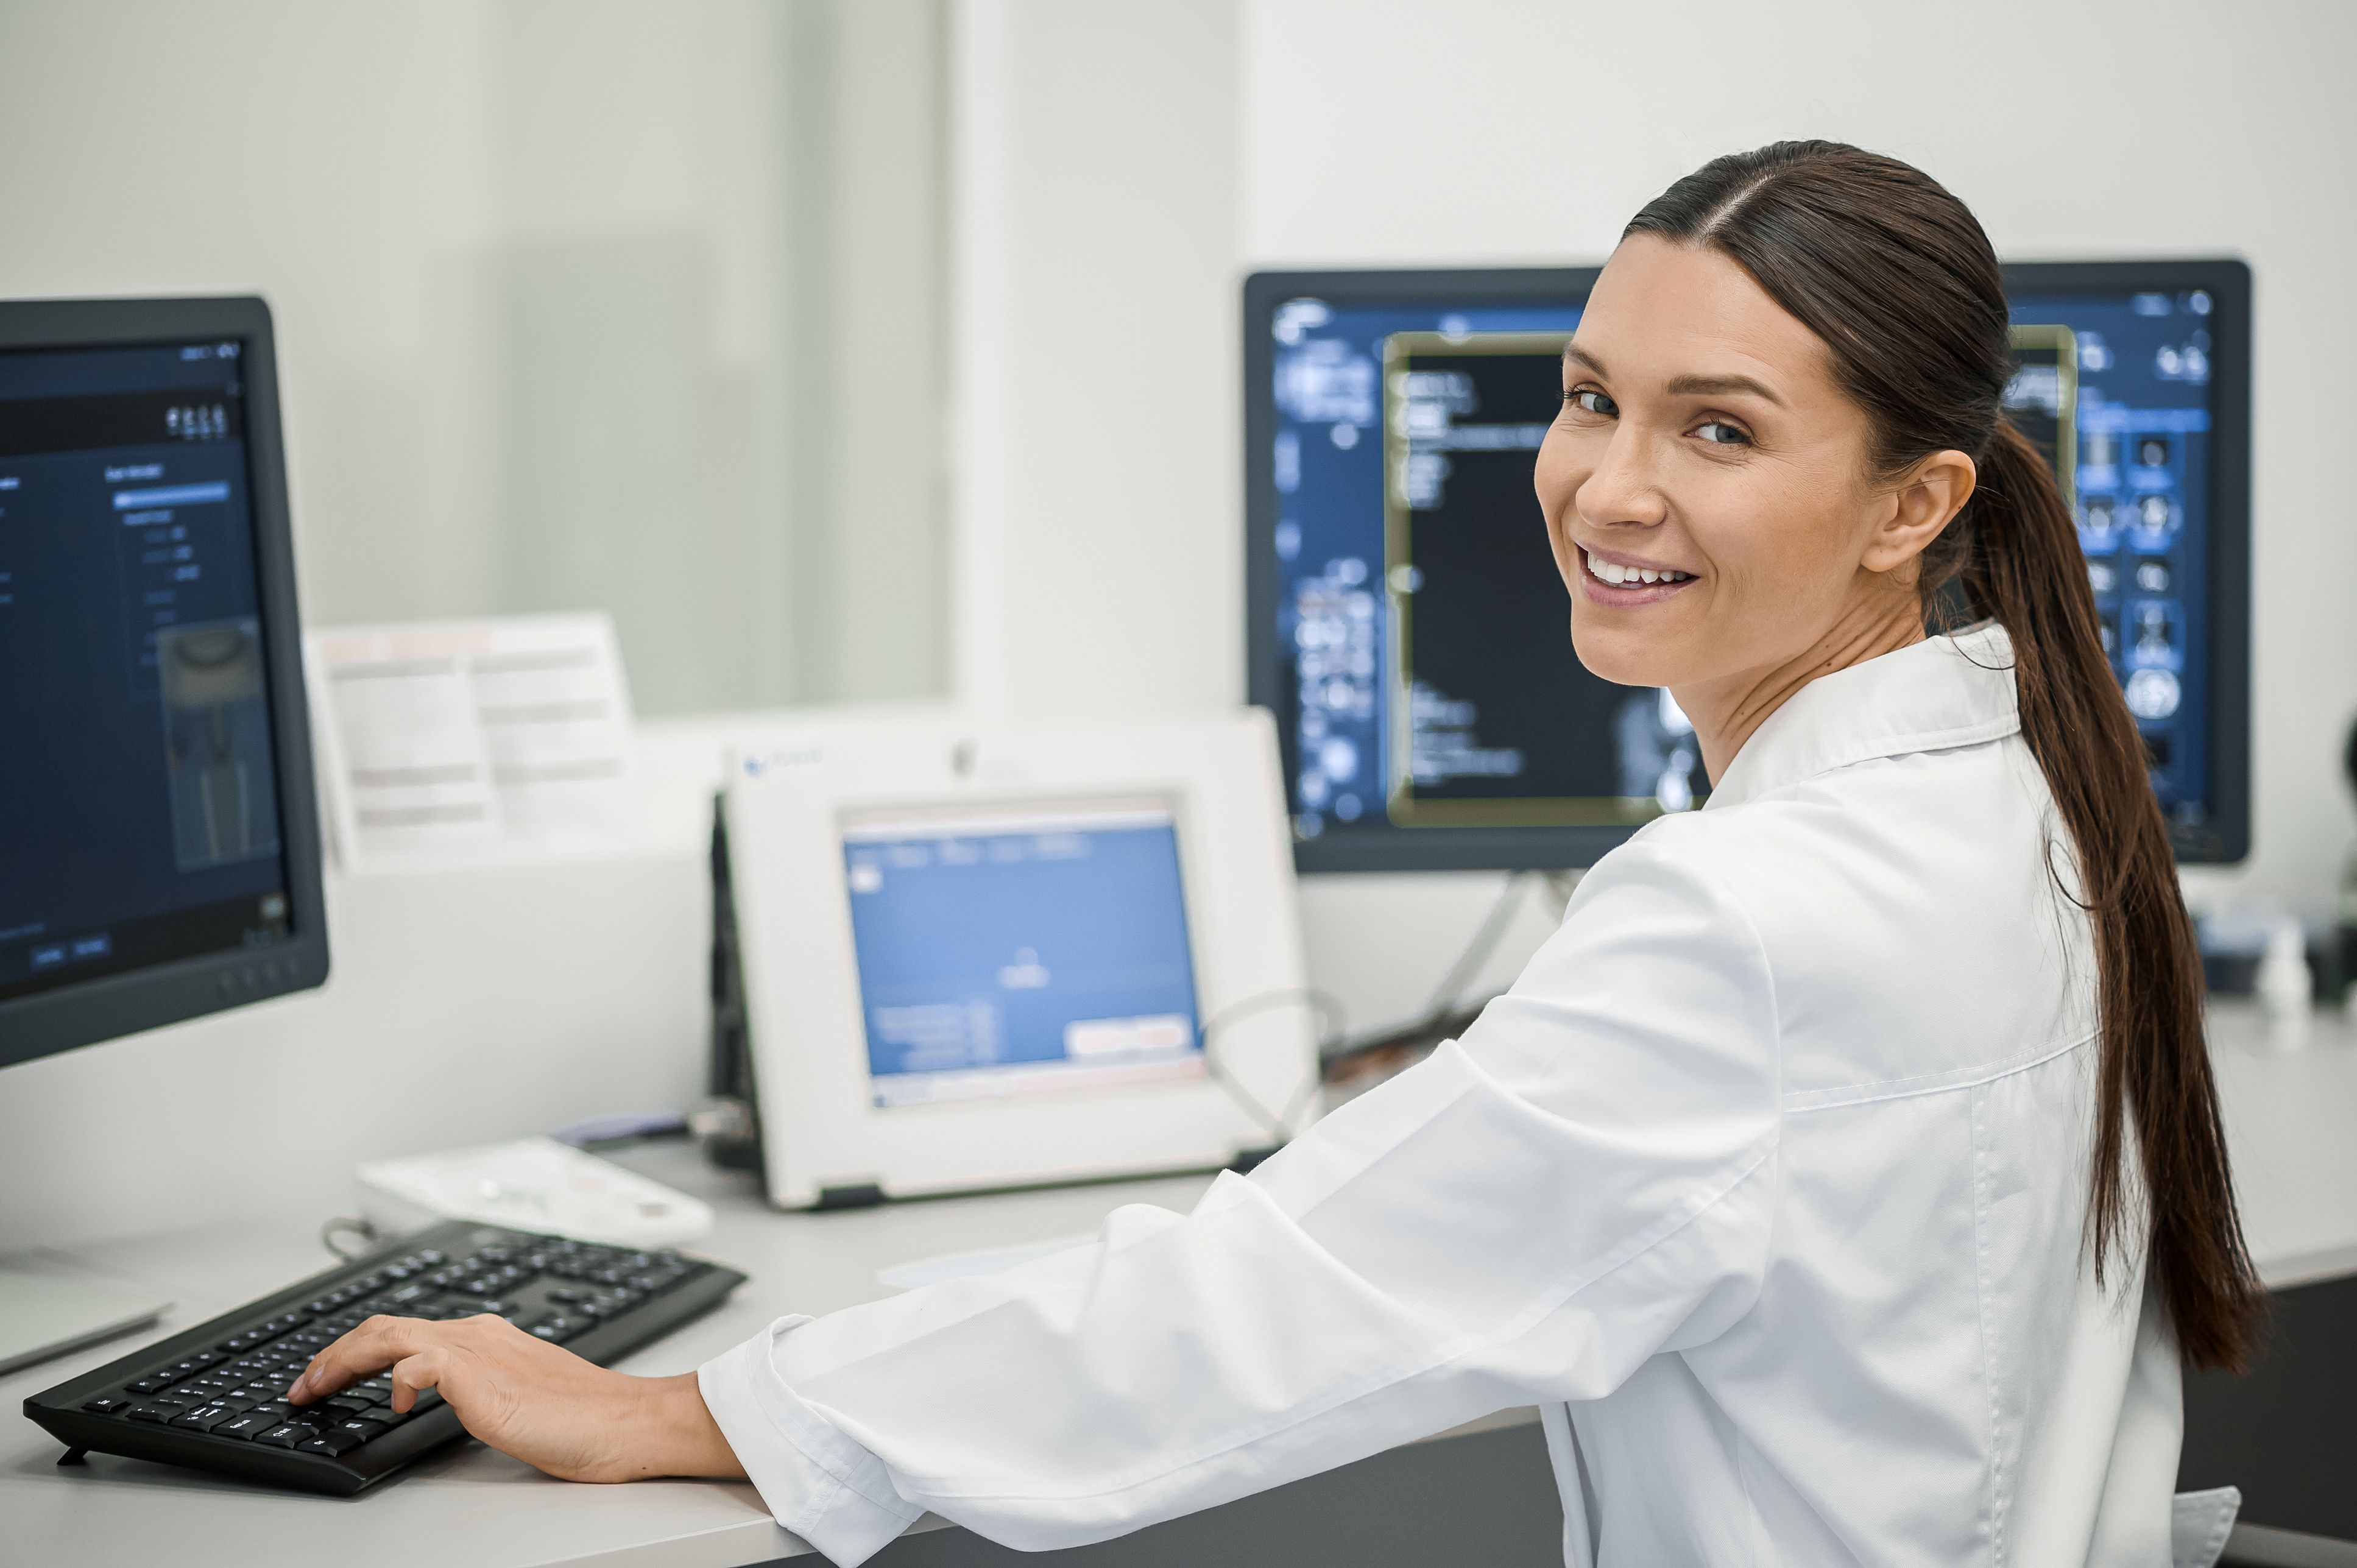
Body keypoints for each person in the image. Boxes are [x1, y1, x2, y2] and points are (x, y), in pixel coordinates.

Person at [289, 143, 2263, 1565]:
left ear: (1916, 500)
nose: (1607, 484)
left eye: (1720, 430)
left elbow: (1257, 1306)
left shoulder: (1749, 917)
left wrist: (693, 1408)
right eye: (1589, 399)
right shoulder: (2026, 798)